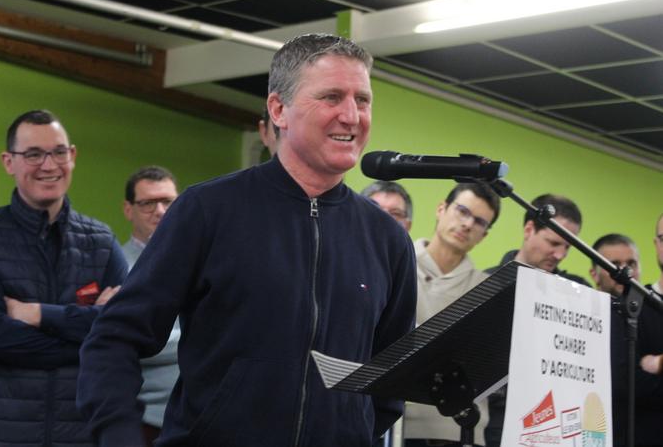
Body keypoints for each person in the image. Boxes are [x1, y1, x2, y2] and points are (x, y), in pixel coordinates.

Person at [78, 33, 418, 447]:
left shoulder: (386, 238)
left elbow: (389, 378)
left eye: (362, 100)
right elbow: (116, 338)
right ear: (279, 109)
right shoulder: (207, 210)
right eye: (331, 97)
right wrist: (120, 436)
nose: (351, 115)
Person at [0, 110, 128, 447]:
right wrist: (86, 338)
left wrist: (36, 315)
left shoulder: (102, 241)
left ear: (72, 156)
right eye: (33, 154)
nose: (49, 165)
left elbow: (124, 330)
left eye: (59, 152)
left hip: (80, 435)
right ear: (8, 162)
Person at [485, 193, 587, 447]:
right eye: (554, 242)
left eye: (568, 246)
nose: (561, 254)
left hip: (557, 424)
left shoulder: (577, 293)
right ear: (529, 229)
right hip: (495, 419)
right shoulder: (484, 284)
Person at [403, 182, 500, 447]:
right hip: (398, 424)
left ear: (484, 236)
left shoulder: (488, 291)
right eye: (462, 211)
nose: (468, 224)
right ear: (441, 209)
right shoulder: (397, 264)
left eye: (480, 221)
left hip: (462, 431)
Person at [121, 165, 180, 444]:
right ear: (128, 210)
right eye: (147, 203)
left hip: (198, 416)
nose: (160, 211)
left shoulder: (201, 261)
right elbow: (132, 343)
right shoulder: (118, 268)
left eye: (168, 201)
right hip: (146, 421)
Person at [589, 233, 663, 447]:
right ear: (594, 274)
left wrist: (656, 364)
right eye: (614, 265)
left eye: (631, 263)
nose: (625, 271)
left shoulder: (653, 308)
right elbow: (626, 382)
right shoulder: (593, 313)